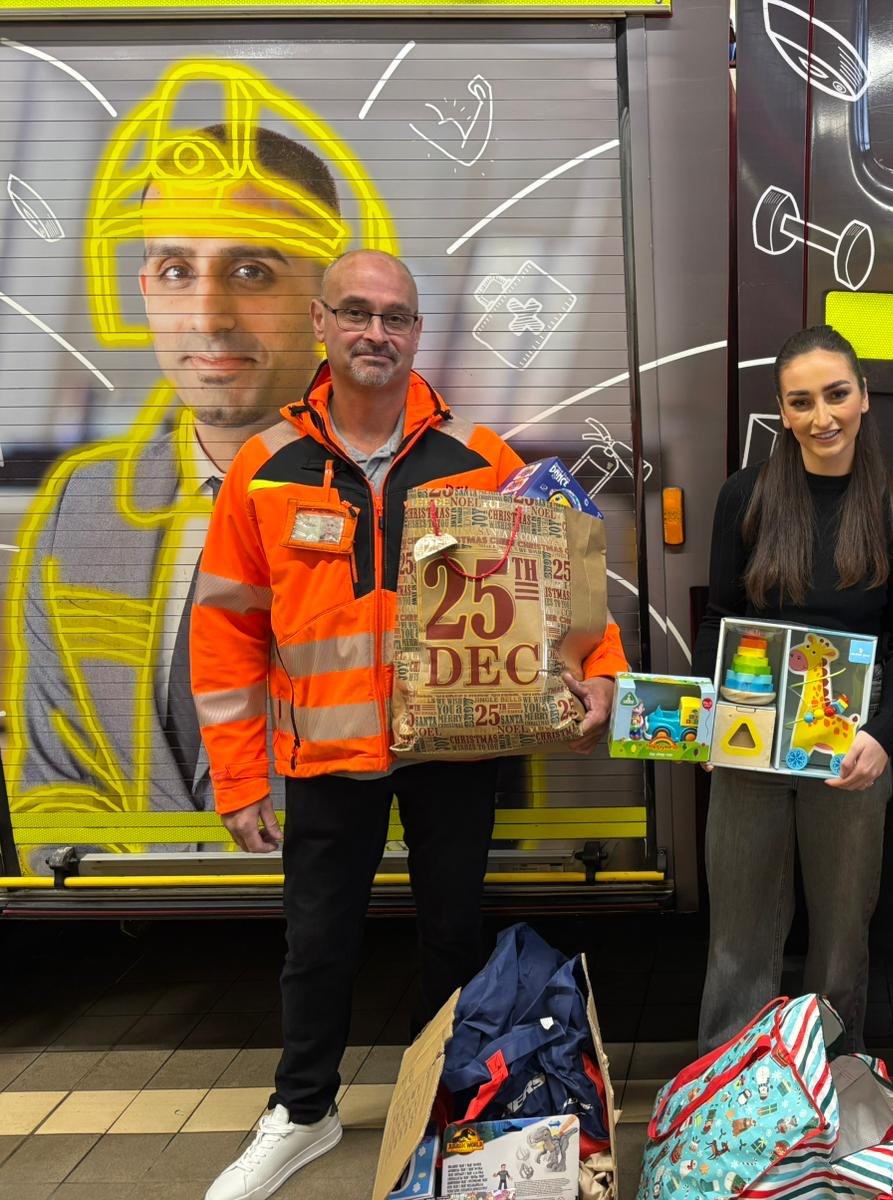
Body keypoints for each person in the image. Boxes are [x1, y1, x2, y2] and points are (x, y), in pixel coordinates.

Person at [196, 249, 627, 1200]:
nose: (375, 332)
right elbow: (226, 630)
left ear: (417, 333)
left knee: (452, 938)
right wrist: (236, 777)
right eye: (356, 313)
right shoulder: (266, 466)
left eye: (394, 317)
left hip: (452, 753)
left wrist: (603, 671)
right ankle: (302, 1112)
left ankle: (448, 1109)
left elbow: (570, 575)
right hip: (323, 758)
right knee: (318, 945)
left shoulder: (480, 458)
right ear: (321, 323)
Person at [5, 118, 391, 826]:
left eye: (252, 272)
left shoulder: (418, 497)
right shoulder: (83, 506)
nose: (208, 317)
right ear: (146, 287)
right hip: (131, 926)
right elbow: (52, 779)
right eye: (178, 270)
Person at [692, 325, 893, 1054]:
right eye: (802, 402)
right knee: (739, 931)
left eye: (836, 394)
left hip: (852, 738)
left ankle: (832, 1082)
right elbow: (717, 619)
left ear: (863, 396)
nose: (822, 416)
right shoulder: (747, 496)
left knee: (840, 932)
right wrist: (711, 715)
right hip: (751, 728)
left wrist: (880, 739)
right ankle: (727, 1095)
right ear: (782, 411)